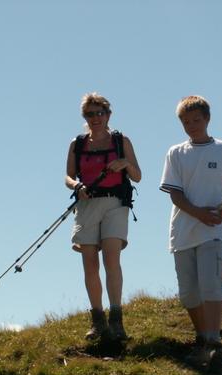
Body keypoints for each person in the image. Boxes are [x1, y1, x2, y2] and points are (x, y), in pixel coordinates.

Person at [160, 95, 222, 372]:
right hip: (183, 231)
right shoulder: (175, 152)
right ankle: (202, 337)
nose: (191, 125)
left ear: (207, 119)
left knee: (211, 284)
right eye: (186, 121)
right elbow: (174, 193)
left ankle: (213, 341)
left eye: (196, 120)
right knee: (188, 293)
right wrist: (198, 213)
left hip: (213, 232)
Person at [65, 92, 142, 343]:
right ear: (84, 117)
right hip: (87, 205)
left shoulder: (121, 141)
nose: (95, 118)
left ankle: (116, 319)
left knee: (111, 259)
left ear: (108, 114)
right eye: (90, 114)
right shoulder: (77, 144)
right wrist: (78, 187)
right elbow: (68, 177)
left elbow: (138, 175)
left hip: (115, 203)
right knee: (89, 262)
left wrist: (124, 164)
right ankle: (97, 320)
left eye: (99, 113)